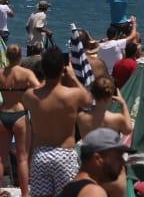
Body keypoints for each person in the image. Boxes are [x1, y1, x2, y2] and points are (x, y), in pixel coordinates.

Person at [23, 47, 93, 197]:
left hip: (40, 154)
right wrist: (73, 78)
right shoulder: (72, 95)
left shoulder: (30, 96)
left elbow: (39, 91)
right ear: (62, 68)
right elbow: (89, 101)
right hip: (64, 153)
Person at [75, 78, 132, 197]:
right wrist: (123, 104)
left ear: (93, 93)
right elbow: (128, 129)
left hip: (91, 173)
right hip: (113, 173)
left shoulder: (81, 117)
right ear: (111, 96)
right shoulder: (117, 119)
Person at [1, 43, 39, 197]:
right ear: (20, 56)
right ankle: (24, 193)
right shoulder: (26, 73)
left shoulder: (1, 72)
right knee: (22, 157)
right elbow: (39, 89)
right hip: (20, 114)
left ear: (7, 56)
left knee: (1, 157)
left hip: (3, 114)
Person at [57, 128, 140, 197]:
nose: (122, 161)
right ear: (98, 158)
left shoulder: (72, 187)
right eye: (117, 157)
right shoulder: (93, 192)